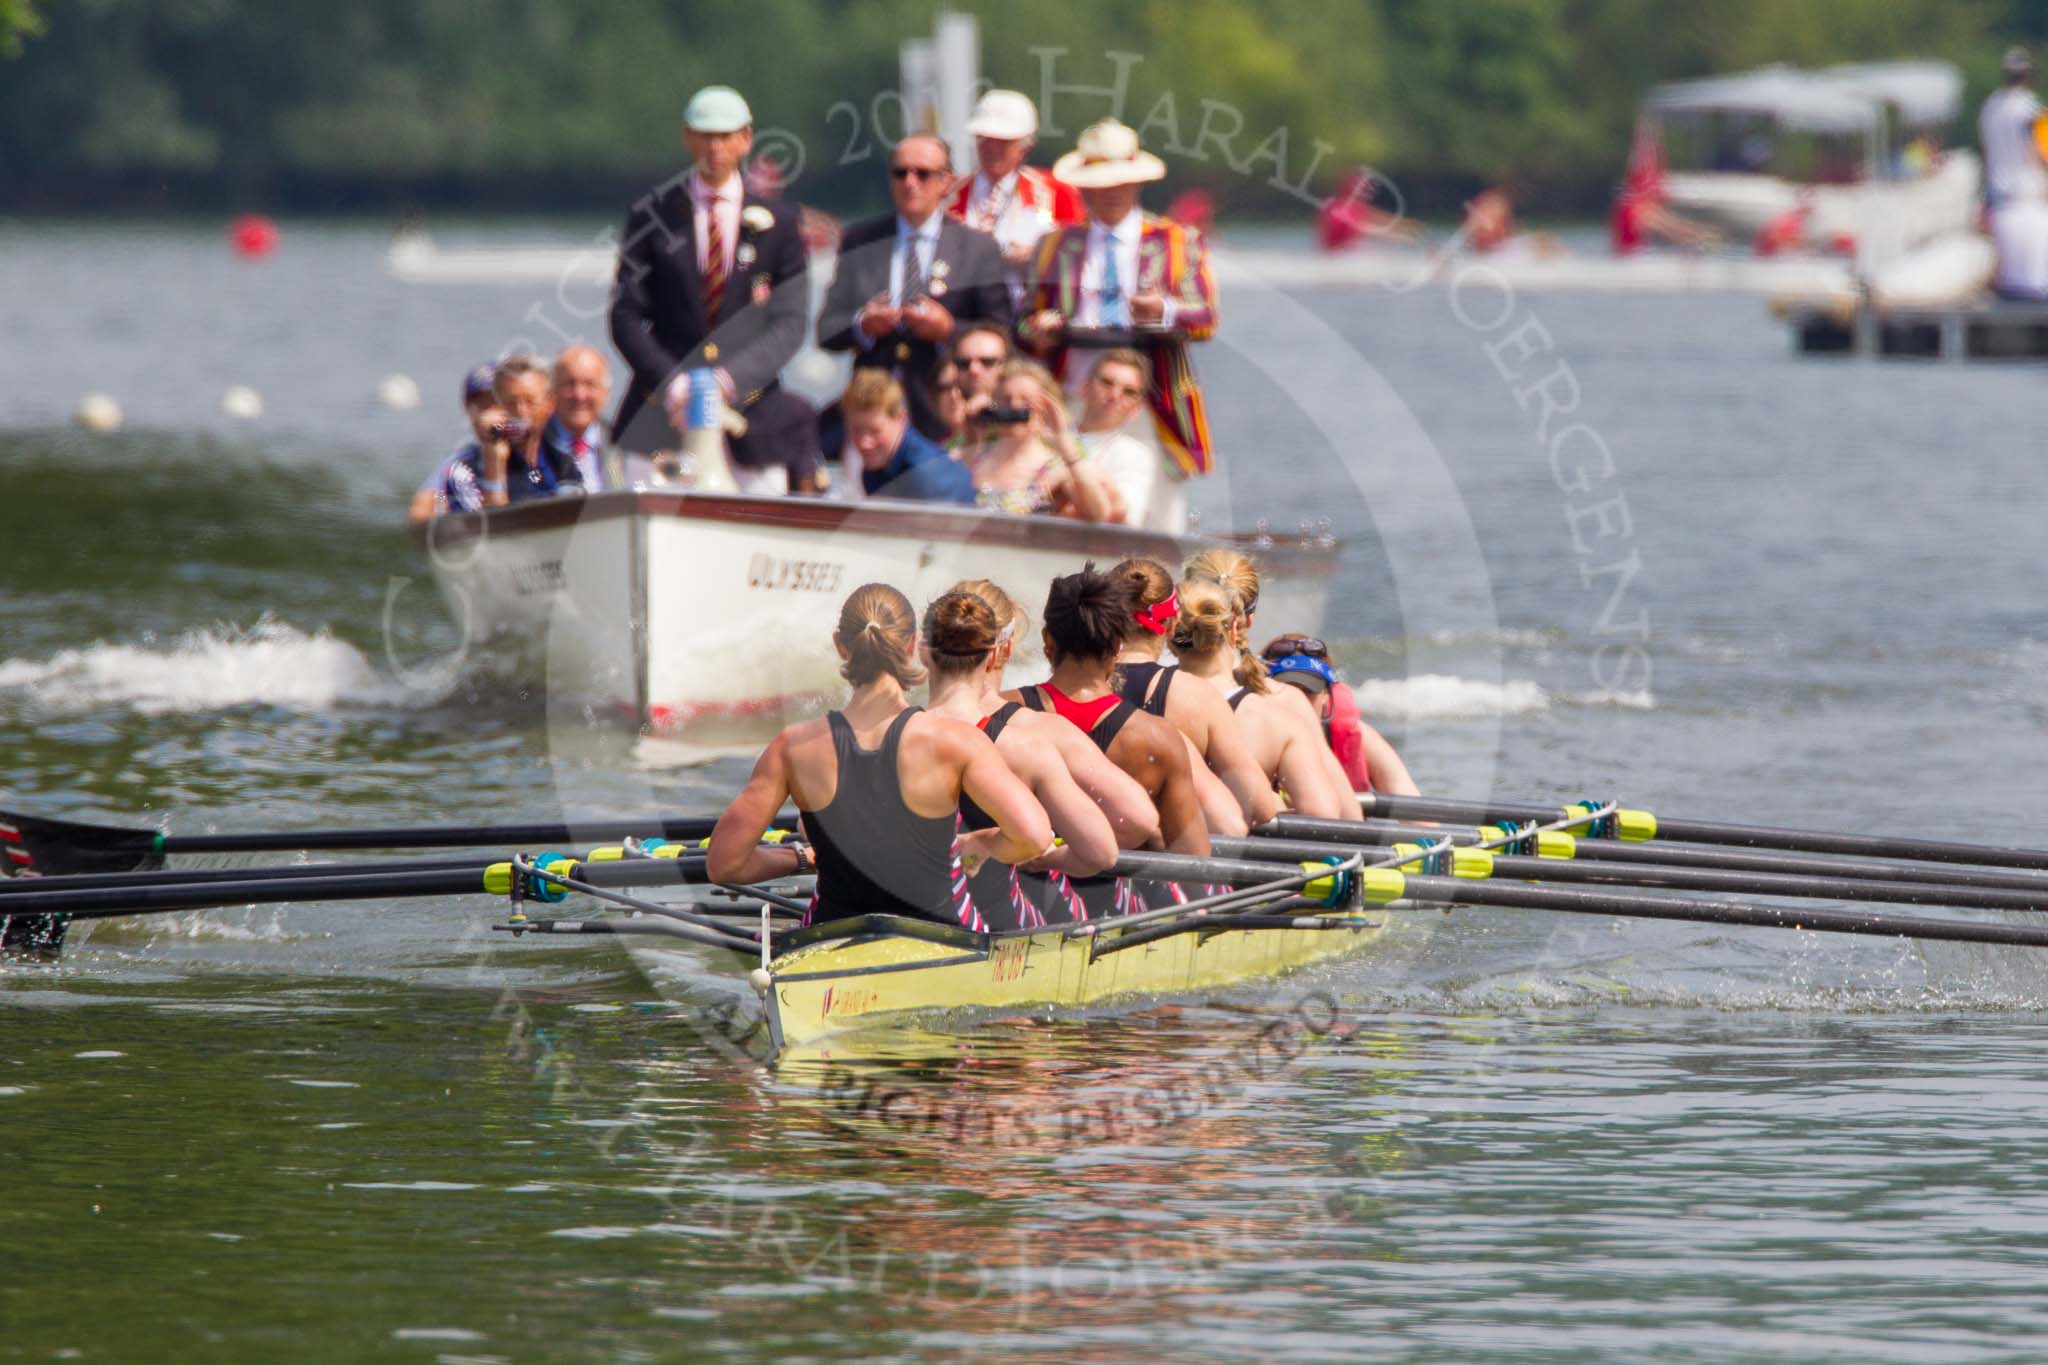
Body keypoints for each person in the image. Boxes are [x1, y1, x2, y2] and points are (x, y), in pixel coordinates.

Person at [706, 583, 1052, 930]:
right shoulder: (957, 742)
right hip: (943, 940)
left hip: (829, 939)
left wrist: (799, 857)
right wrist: (980, 844)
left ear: (840, 646)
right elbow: (1035, 837)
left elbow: (725, 865)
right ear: (912, 646)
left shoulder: (791, 747)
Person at [609, 85, 819, 492]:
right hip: (661, 415)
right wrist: (673, 383)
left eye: (724, 136)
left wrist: (729, 380)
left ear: (745, 140)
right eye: (704, 135)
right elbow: (626, 314)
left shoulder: (781, 222)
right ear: (688, 137)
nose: (714, 146)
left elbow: (790, 323)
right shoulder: (652, 216)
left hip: (753, 418)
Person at [1022, 118, 1219, 490]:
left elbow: (1206, 318)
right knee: (1066, 496)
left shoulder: (1176, 241)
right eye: (1102, 184)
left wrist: (1162, 310)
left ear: (1138, 183)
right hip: (1073, 393)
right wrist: (1039, 328)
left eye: (1121, 182)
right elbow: (1023, 323)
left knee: (1155, 507)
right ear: (1085, 189)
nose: (1112, 191)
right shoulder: (1055, 245)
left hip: (1151, 395)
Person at [922, 589, 1135, 929]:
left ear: (922, 653)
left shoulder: (884, 736)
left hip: (901, 919)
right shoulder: (1025, 748)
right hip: (995, 928)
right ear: (994, 656)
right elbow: (1101, 853)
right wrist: (1038, 856)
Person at [817, 131, 1014, 443]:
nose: (910, 183)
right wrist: (863, 325)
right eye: (900, 173)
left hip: (942, 409)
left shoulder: (976, 248)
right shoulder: (862, 240)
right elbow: (826, 330)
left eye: (922, 174)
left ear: (946, 182)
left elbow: (1002, 332)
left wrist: (948, 330)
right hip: (873, 410)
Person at [1184, 545, 1417, 799]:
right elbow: (1336, 813)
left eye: (1309, 691)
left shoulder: (1146, 690)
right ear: (1248, 619)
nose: (1302, 693)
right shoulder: (1287, 702)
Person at [1008, 565, 1207, 857]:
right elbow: (1194, 859)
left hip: (1017, 892)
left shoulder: (1003, 714)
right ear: (1117, 644)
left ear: (1048, 640)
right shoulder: (1157, 738)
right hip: (1119, 899)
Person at [1107, 558, 1277, 835]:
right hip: (1165, 867)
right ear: (1173, 624)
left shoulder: (1078, 684)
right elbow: (1258, 807)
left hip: (1075, 863)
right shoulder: (1197, 697)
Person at [1170, 579, 1358, 820]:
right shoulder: (1277, 720)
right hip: (1246, 849)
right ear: (1234, 630)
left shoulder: (1140, 701)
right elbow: (1322, 815)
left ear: (1169, 637)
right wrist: (1275, 805)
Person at [946, 89, 1083, 308]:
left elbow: (1080, 258)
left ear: (1026, 145)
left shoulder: (1057, 192)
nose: (992, 148)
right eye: (985, 139)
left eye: (1003, 141)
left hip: (1032, 314)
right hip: (963, 316)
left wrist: (1038, 257)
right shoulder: (948, 195)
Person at [960, 360, 1120, 521]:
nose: (1015, 406)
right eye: (1006, 399)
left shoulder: (1054, 469)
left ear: (1047, 407)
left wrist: (1063, 442)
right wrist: (973, 431)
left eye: (1026, 401)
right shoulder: (973, 457)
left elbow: (1098, 514)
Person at [818, 370, 975, 504]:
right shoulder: (876, 468)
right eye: (856, 430)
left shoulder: (927, 476)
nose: (865, 443)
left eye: (875, 431)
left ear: (901, 418)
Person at [1073, 348, 1180, 531]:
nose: (1114, 395)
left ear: (1137, 409)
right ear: (1084, 387)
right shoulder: (1049, 436)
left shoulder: (1135, 454)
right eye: (1107, 383)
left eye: (1128, 392)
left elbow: (1122, 521)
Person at [1980, 48, 2048, 298]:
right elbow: (2041, 152)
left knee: (2010, 287)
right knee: (2036, 287)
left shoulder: (1990, 108)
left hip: (2000, 203)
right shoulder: (2031, 109)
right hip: (2032, 202)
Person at [407, 364, 503, 523]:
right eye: (483, 405)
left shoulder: (535, 450)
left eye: (498, 403)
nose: (490, 415)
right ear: (468, 409)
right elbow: (420, 511)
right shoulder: (458, 465)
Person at [480, 354, 574, 506]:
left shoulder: (564, 452)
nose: (521, 410)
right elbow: (493, 522)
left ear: (549, 403)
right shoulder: (476, 461)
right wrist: (494, 461)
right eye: (511, 403)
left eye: (530, 402)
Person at [538, 345, 615, 490]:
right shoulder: (530, 446)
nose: (579, 395)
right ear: (552, 390)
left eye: (590, 384)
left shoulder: (623, 445)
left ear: (606, 393)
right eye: (569, 384)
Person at [951, 320, 1012, 424]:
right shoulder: (947, 418)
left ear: (1008, 365)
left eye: (987, 362)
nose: (973, 370)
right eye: (964, 363)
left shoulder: (1028, 413)